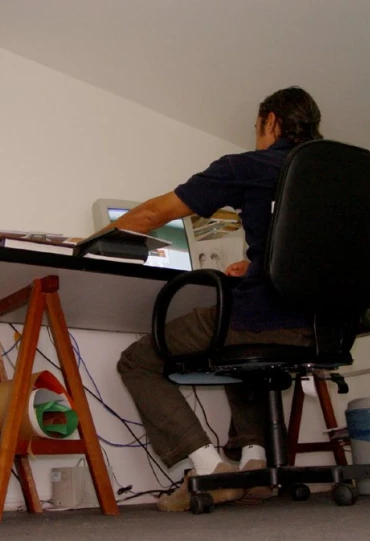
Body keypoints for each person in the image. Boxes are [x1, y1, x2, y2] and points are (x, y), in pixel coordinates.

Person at [109, 86, 323, 512]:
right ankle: (254, 464)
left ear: (272, 122)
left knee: (138, 360)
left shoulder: (251, 166)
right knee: (243, 350)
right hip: (323, 323)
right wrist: (260, 265)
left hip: (265, 314)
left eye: (258, 129)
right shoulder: (336, 177)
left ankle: (208, 469)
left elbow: (155, 214)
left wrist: (94, 240)